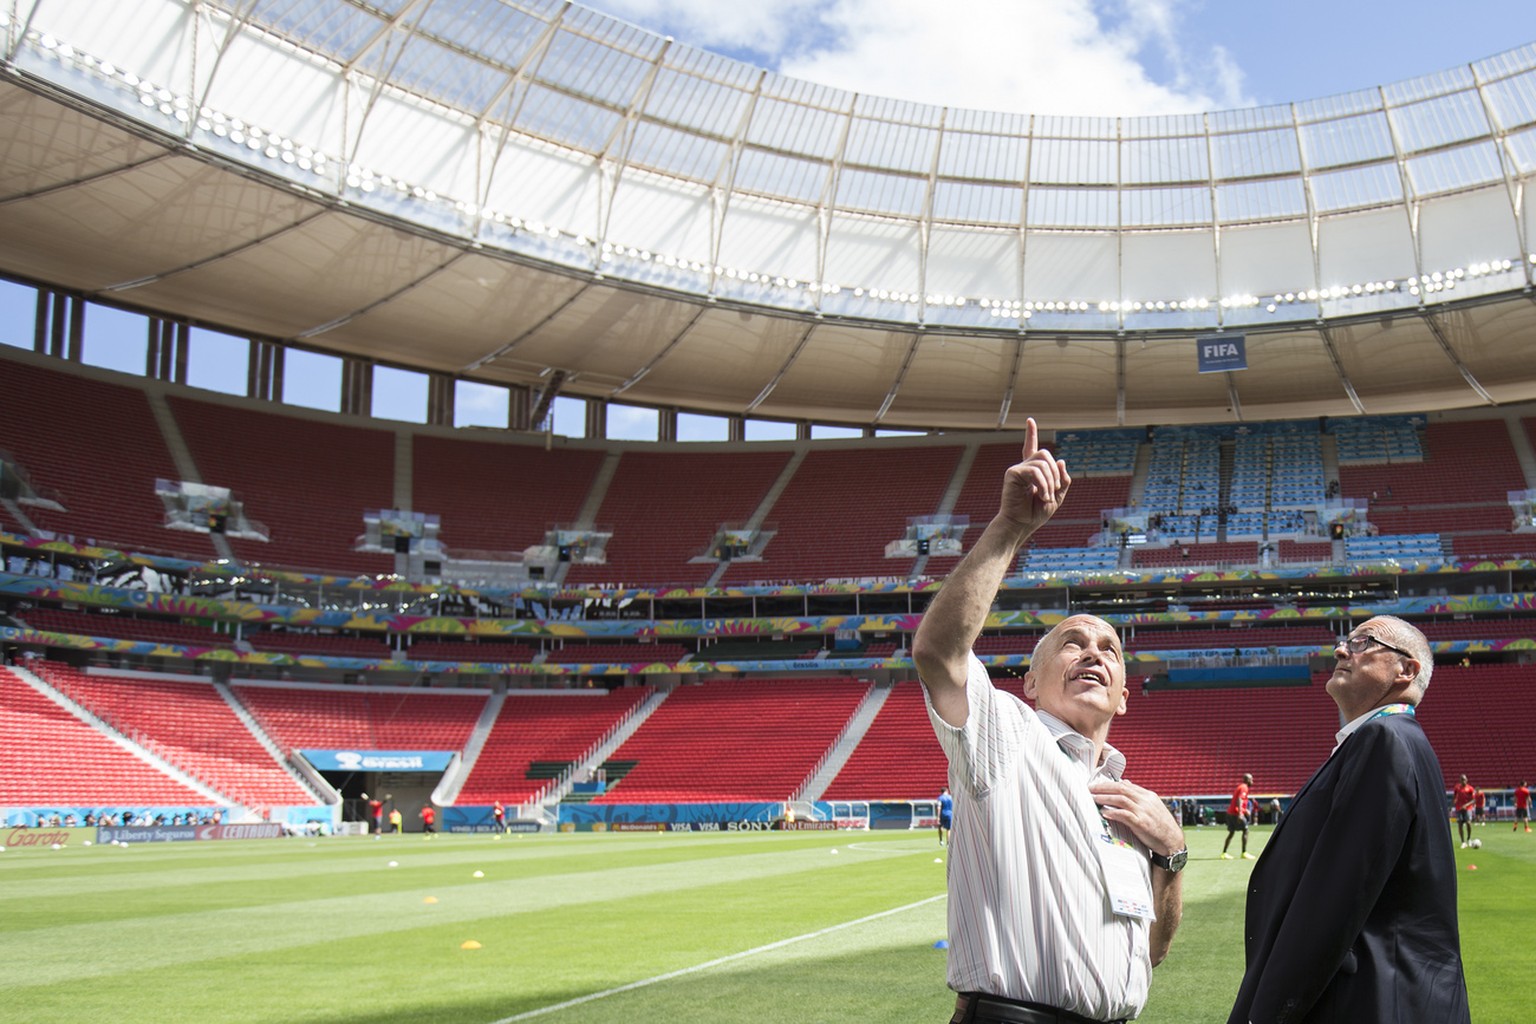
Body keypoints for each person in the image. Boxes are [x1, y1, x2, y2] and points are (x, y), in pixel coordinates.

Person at [912, 418, 1185, 1024]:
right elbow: (938, 653)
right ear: (1030, 683)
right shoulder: (1007, 735)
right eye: (1071, 643)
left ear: (1123, 698)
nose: (1093, 653)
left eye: (1110, 649)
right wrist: (1012, 526)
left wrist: (1170, 857)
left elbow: (1152, 954)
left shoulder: (1133, 803)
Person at [1227, 616, 1470, 1024]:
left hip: (1368, 1002)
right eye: (1346, 641)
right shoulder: (1393, 740)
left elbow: (1333, 898)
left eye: (1363, 643)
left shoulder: (1384, 740)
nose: (1341, 650)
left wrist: (1266, 1011)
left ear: (1405, 670)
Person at [1221, 773, 1255, 860]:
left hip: (1230, 813)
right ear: (1247, 780)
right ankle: (1244, 852)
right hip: (1235, 813)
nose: (1252, 781)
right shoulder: (1244, 787)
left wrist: (1244, 810)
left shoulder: (1240, 787)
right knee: (1246, 830)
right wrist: (1240, 813)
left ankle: (1224, 853)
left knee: (1231, 832)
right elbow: (1239, 799)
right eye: (1251, 779)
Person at [1452, 773, 1475, 847]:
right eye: (1461, 780)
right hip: (1459, 808)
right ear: (1460, 780)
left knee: (1468, 822)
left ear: (1467, 780)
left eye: (1464, 779)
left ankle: (1469, 838)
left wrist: (1466, 805)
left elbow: (1473, 800)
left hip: (1468, 808)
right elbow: (1455, 796)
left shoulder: (1470, 788)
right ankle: (1463, 842)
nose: (1463, 781)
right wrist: (1454, 801)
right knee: (1460, 824)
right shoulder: (1457, 788)